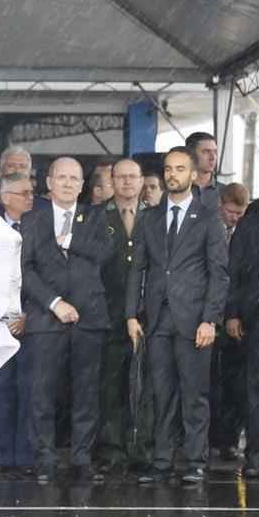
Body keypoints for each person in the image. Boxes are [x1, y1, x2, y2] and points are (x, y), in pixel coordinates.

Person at [127, 147, 229, 485]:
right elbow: (137, 270)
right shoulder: (150, 217)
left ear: (193, 174)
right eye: (169, 169)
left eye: (180, 168)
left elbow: (219, 273)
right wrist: (131, 314)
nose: (173, 174)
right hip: (156, 320)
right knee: (160, 392)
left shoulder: (209, 218)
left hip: (194, 319)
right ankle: (161, 460)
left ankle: (195, 461)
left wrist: (209, 319)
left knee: (194, 393)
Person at [21, 157, 110, 485]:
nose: (69, 183)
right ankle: (44, 459)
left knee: (86, 394)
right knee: (42, 393)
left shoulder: (97, 217)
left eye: (75, 178)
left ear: (82, 185)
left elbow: (105, 253)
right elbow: (24, 269)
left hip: (90, 319)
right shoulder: (32, 219)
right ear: (49, 182)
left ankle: (81, 458)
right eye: (62, 177)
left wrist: (71, 241)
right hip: (46, 318)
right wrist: (55, 303)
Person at [94, 159, 152, 474]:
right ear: (112, 180)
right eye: (121, 177)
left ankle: (142, 449)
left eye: (133, 176)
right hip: (108, 312)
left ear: (142, 181)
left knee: (147, 386)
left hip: (147, 313)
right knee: (111, 385)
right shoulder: (95, 216)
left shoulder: (154, 217)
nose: (128, 182)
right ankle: (111, 449)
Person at [0, 173, 34, 472]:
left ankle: (25, 456)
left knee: (29, 390)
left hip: (32, 318)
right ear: (5, 197)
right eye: (24, 193)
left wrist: (28, 313)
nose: (31, 198)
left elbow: (43, 273)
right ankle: (1, 455)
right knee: (0, 390)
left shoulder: (38, 226)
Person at [210, 182, 250, 460]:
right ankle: (210, 438)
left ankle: (228, 438)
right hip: (209, 315)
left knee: (235, 383)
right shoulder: (209, 229)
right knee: (208, 382)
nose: (234, 217)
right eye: (230, 211)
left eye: (240, 213)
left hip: (234, 316)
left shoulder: (246, 235)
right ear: (219, 205)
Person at [226, 194, 259, 477]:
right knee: (256, 388)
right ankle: (257, 455)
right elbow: (234, 268)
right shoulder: (254, 215)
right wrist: (232, 312)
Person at [187, 132, 219, 209]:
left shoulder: (226, 192)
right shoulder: (174, 190)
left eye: (215, 152)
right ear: (191, 155)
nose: (213, 157)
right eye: (206, 152)